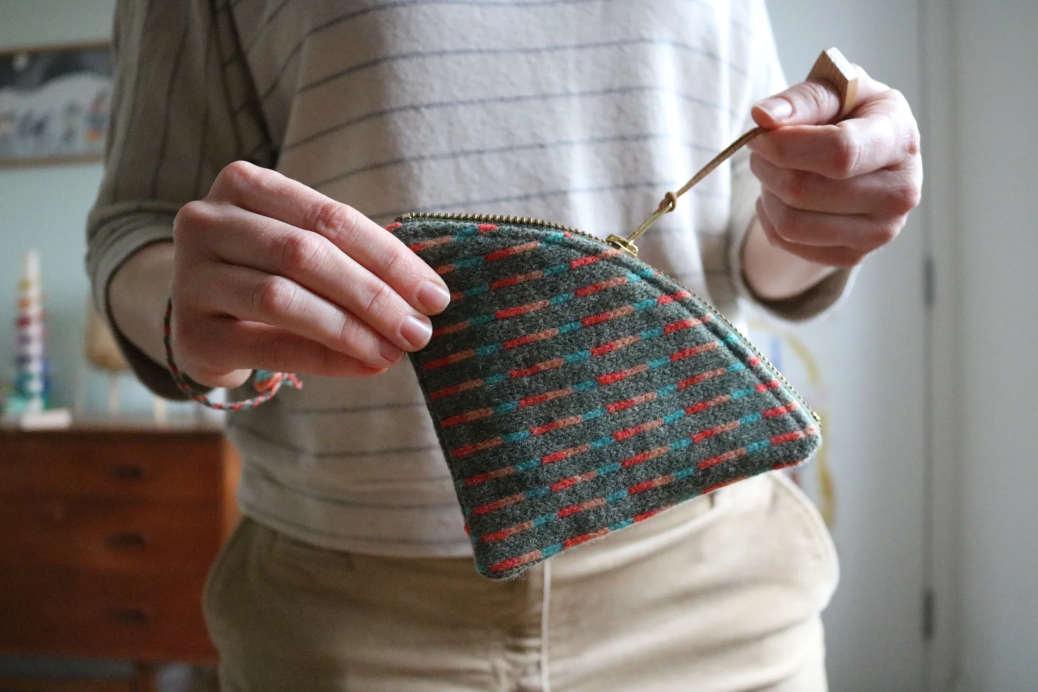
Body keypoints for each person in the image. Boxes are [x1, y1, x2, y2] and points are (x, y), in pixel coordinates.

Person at [87, 1, 922, 690]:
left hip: (713, 591)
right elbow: (139, 222)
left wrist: (824, 213)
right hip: (352, 616)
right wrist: (189, 313)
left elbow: (744, 234)